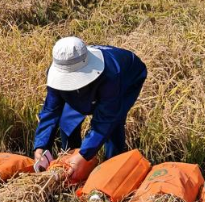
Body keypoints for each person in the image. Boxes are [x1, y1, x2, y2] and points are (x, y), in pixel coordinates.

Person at [33, 36, 147, 183]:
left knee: (113, 124)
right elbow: (51, 111)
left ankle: (111, 167)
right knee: (68, 120)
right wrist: (41, 146)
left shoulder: (112, 75)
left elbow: (106, 119)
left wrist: (84, 154)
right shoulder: (58, 68)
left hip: (127, 80)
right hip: (90, 72)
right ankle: (72, 162)